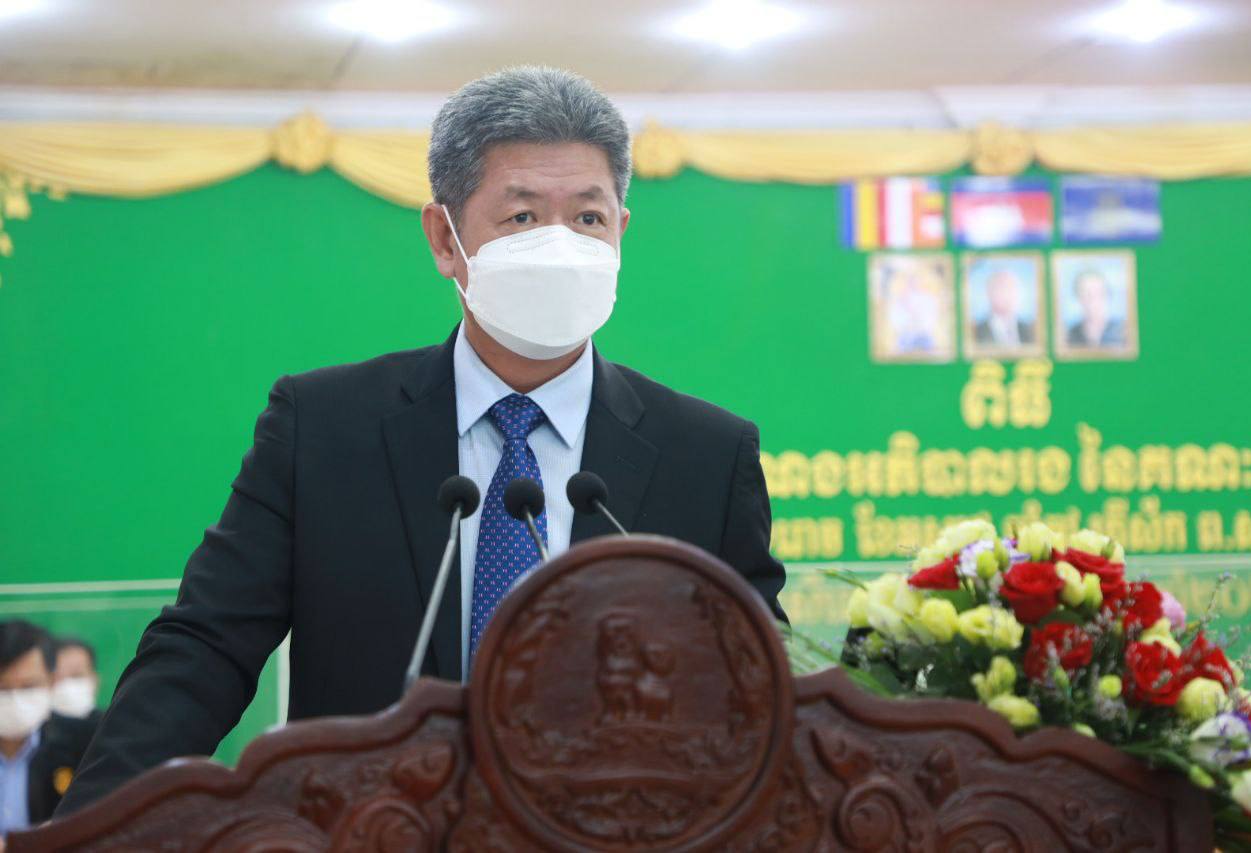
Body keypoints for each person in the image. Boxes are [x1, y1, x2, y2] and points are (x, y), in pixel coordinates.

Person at [57, 66, 787, 816]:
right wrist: (93, 826)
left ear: (621, 232)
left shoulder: (707, 455)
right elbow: (204, 651)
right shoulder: (322, 427)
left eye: (588, 219)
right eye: (523, 217)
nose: (561, 246)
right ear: (445, 239)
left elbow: (762, 688)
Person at [0, 621, 96, 843]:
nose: (14, 698)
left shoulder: (86, 743)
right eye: (2, 688)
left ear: (52, 682)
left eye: (28, 686)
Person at [973, 268, 1034, 348]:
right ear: (989, 293)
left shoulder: (1029, 329)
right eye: (1002, 289)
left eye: (1012, 288)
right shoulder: (976, 331)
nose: (1008, 295)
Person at [1066, 269, 1126, 348]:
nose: (1094, 300)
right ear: (1078, 298)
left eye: (1099, 293)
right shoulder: (1070, 335)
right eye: (1087, 294)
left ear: (1108, 295)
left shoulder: (1123, 331)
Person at [51, 639, 101, 723]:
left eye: (76, 675)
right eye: (57, 677)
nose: (66, 684)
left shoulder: (112, 725)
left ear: (95, 681)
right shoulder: (35, 729)